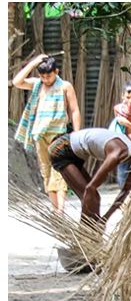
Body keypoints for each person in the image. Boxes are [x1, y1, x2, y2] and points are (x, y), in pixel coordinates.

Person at [12, 54, 83, 215]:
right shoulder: (37, 85)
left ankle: (61, 209)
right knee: (46, 171)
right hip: (40, 134)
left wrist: (77, 134)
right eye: (42, 76)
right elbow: (17, 82)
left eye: (49, 75)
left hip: (58, 134)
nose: (46, 79)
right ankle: (54, 210)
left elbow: (74, 110)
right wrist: (33, 63)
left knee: (59, 170)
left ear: (56, 71)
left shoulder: (65, 86)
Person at [47, 127, 131, 226]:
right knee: (89, 195)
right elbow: (90, 188)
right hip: (60, 147)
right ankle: (83, 235)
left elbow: (125, 191)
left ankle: (91, 233)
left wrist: (105, 219)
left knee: (94, 197)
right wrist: (99, 223)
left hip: (75, 152)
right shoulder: (117, 153)